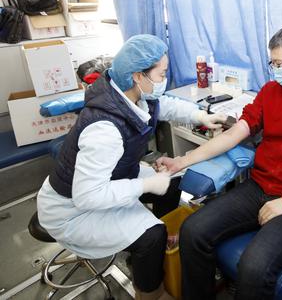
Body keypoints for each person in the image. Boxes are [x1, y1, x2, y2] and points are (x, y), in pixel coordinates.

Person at [157, 26, 282, 300]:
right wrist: (182, 161)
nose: (274, 70)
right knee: (193, 231)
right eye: (271, 63)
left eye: (279, 64)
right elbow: (234, 134)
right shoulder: (271, 91)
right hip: (259, 187)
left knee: (254, 266)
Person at [37, 35, 227, 300]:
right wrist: (145, 184)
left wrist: (201, 115)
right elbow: (87, 196)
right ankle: (150, 289)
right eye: (162, 74)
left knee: (171, 184)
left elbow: (164, 106)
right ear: (138, 76)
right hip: (71, 209)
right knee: (152, 235)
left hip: (110, 179)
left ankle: (152, 251)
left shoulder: (128, 93)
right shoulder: (104, 129)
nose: (164, 80)